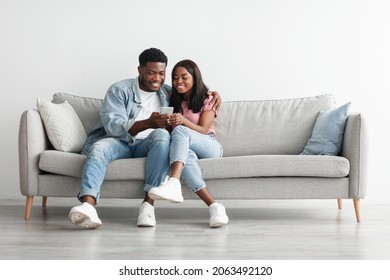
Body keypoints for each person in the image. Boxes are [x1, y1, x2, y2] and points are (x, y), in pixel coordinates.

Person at [68, 48, 221, 229]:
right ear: (140, 70)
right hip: (120, 141)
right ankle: (88, 206)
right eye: (151, 73)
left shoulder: (167, 92)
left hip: (149, 144)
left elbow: (192, 88)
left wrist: (213, 93)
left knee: (163, 134)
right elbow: (113, 126)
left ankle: (148, 206)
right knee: (99, 148)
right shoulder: (119, 90)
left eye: (162, 73)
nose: (157, 78)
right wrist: (147, 123)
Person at [148, 59, 229, 228]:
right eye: (175, 77)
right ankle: (215, 207)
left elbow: (203, 130)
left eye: (184, 77)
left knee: (180, 130)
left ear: (195, 78)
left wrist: (182, 121)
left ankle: (173, 181)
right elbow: (154, 85)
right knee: (187, 159)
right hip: (186, 148)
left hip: (209, 145)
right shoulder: (171, 97)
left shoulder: (207, 98)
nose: (179, 81)